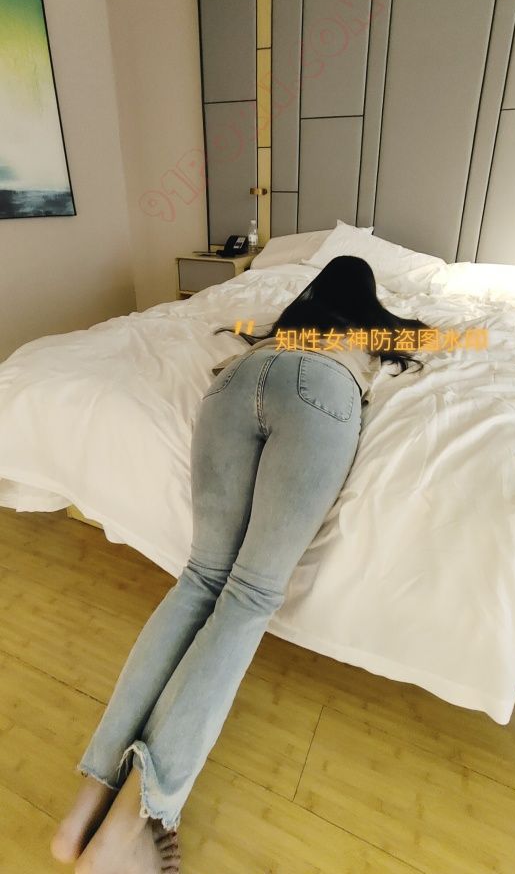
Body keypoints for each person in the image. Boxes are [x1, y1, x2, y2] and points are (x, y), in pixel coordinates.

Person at [50, 255, 429, 874]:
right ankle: (135, 820)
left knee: (200, 578)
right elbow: (439, 339)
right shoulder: (372, 330)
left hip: (233, 385)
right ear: (366, 297)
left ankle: (86, 806)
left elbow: (238, 326)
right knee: (249, 595)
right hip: (321, 388)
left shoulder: (277, 328)